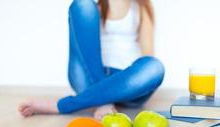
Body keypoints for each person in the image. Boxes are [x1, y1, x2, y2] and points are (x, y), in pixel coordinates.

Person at [19, 0, 165, 120]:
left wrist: (132, 82)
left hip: (127, 83)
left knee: (155, 67)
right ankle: (104, 99)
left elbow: (147, 54)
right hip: (90, 77)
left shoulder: (141, 7)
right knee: (82, 4)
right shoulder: (94, 7)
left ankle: (63, 105)